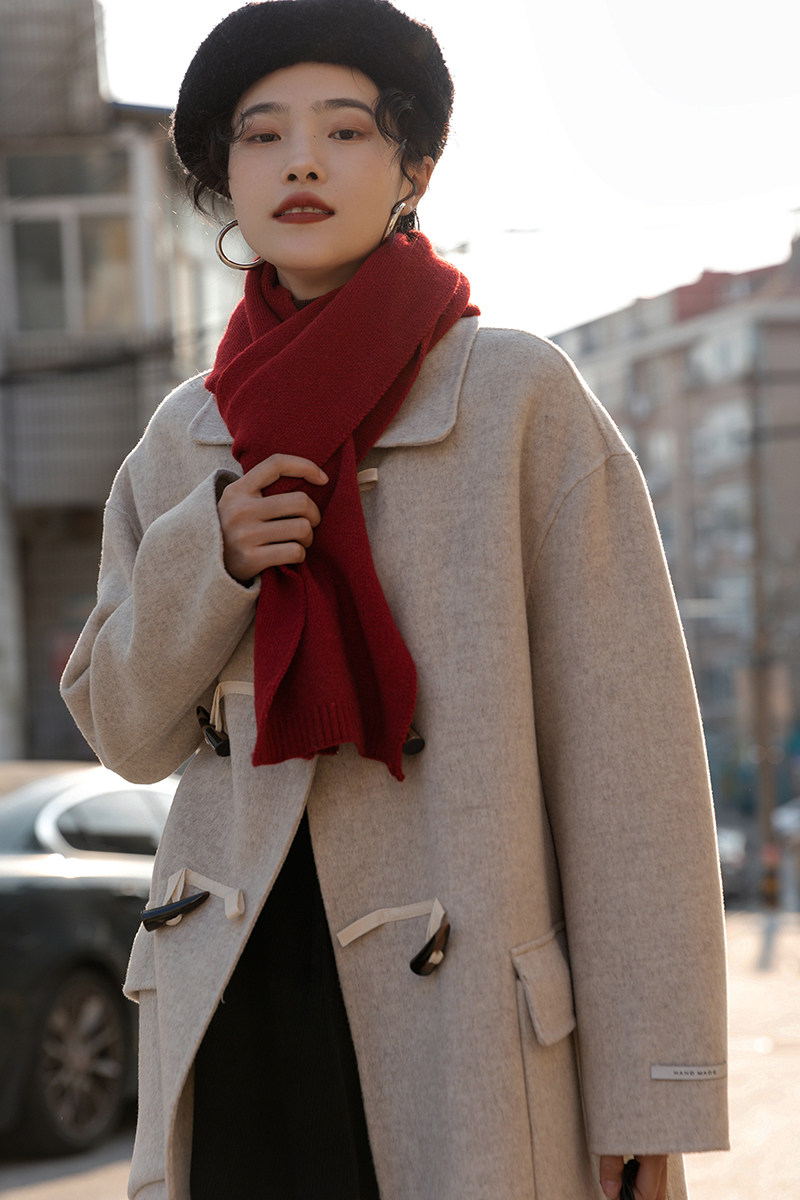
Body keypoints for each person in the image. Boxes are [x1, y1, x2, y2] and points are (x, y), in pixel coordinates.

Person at [61, 2, 729, 1198]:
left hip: (466, 1028)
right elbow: (125, 732)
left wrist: (648, 1088)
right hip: (234, 999)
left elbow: (630, 773)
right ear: (223, 176)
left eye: (345, 131)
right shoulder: (182, 439)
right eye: (262, 136)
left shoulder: (518, 400)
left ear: (411, 168)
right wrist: (209, 557)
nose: (300, 162)